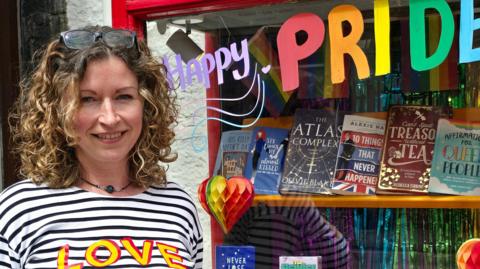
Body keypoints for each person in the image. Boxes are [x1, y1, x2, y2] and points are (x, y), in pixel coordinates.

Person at [0, 26, 203, 268]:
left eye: (124, 97)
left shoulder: (178, 206)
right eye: (87, 99)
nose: (109, 118)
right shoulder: (20, 211)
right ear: (57, 111)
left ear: (147, 105)